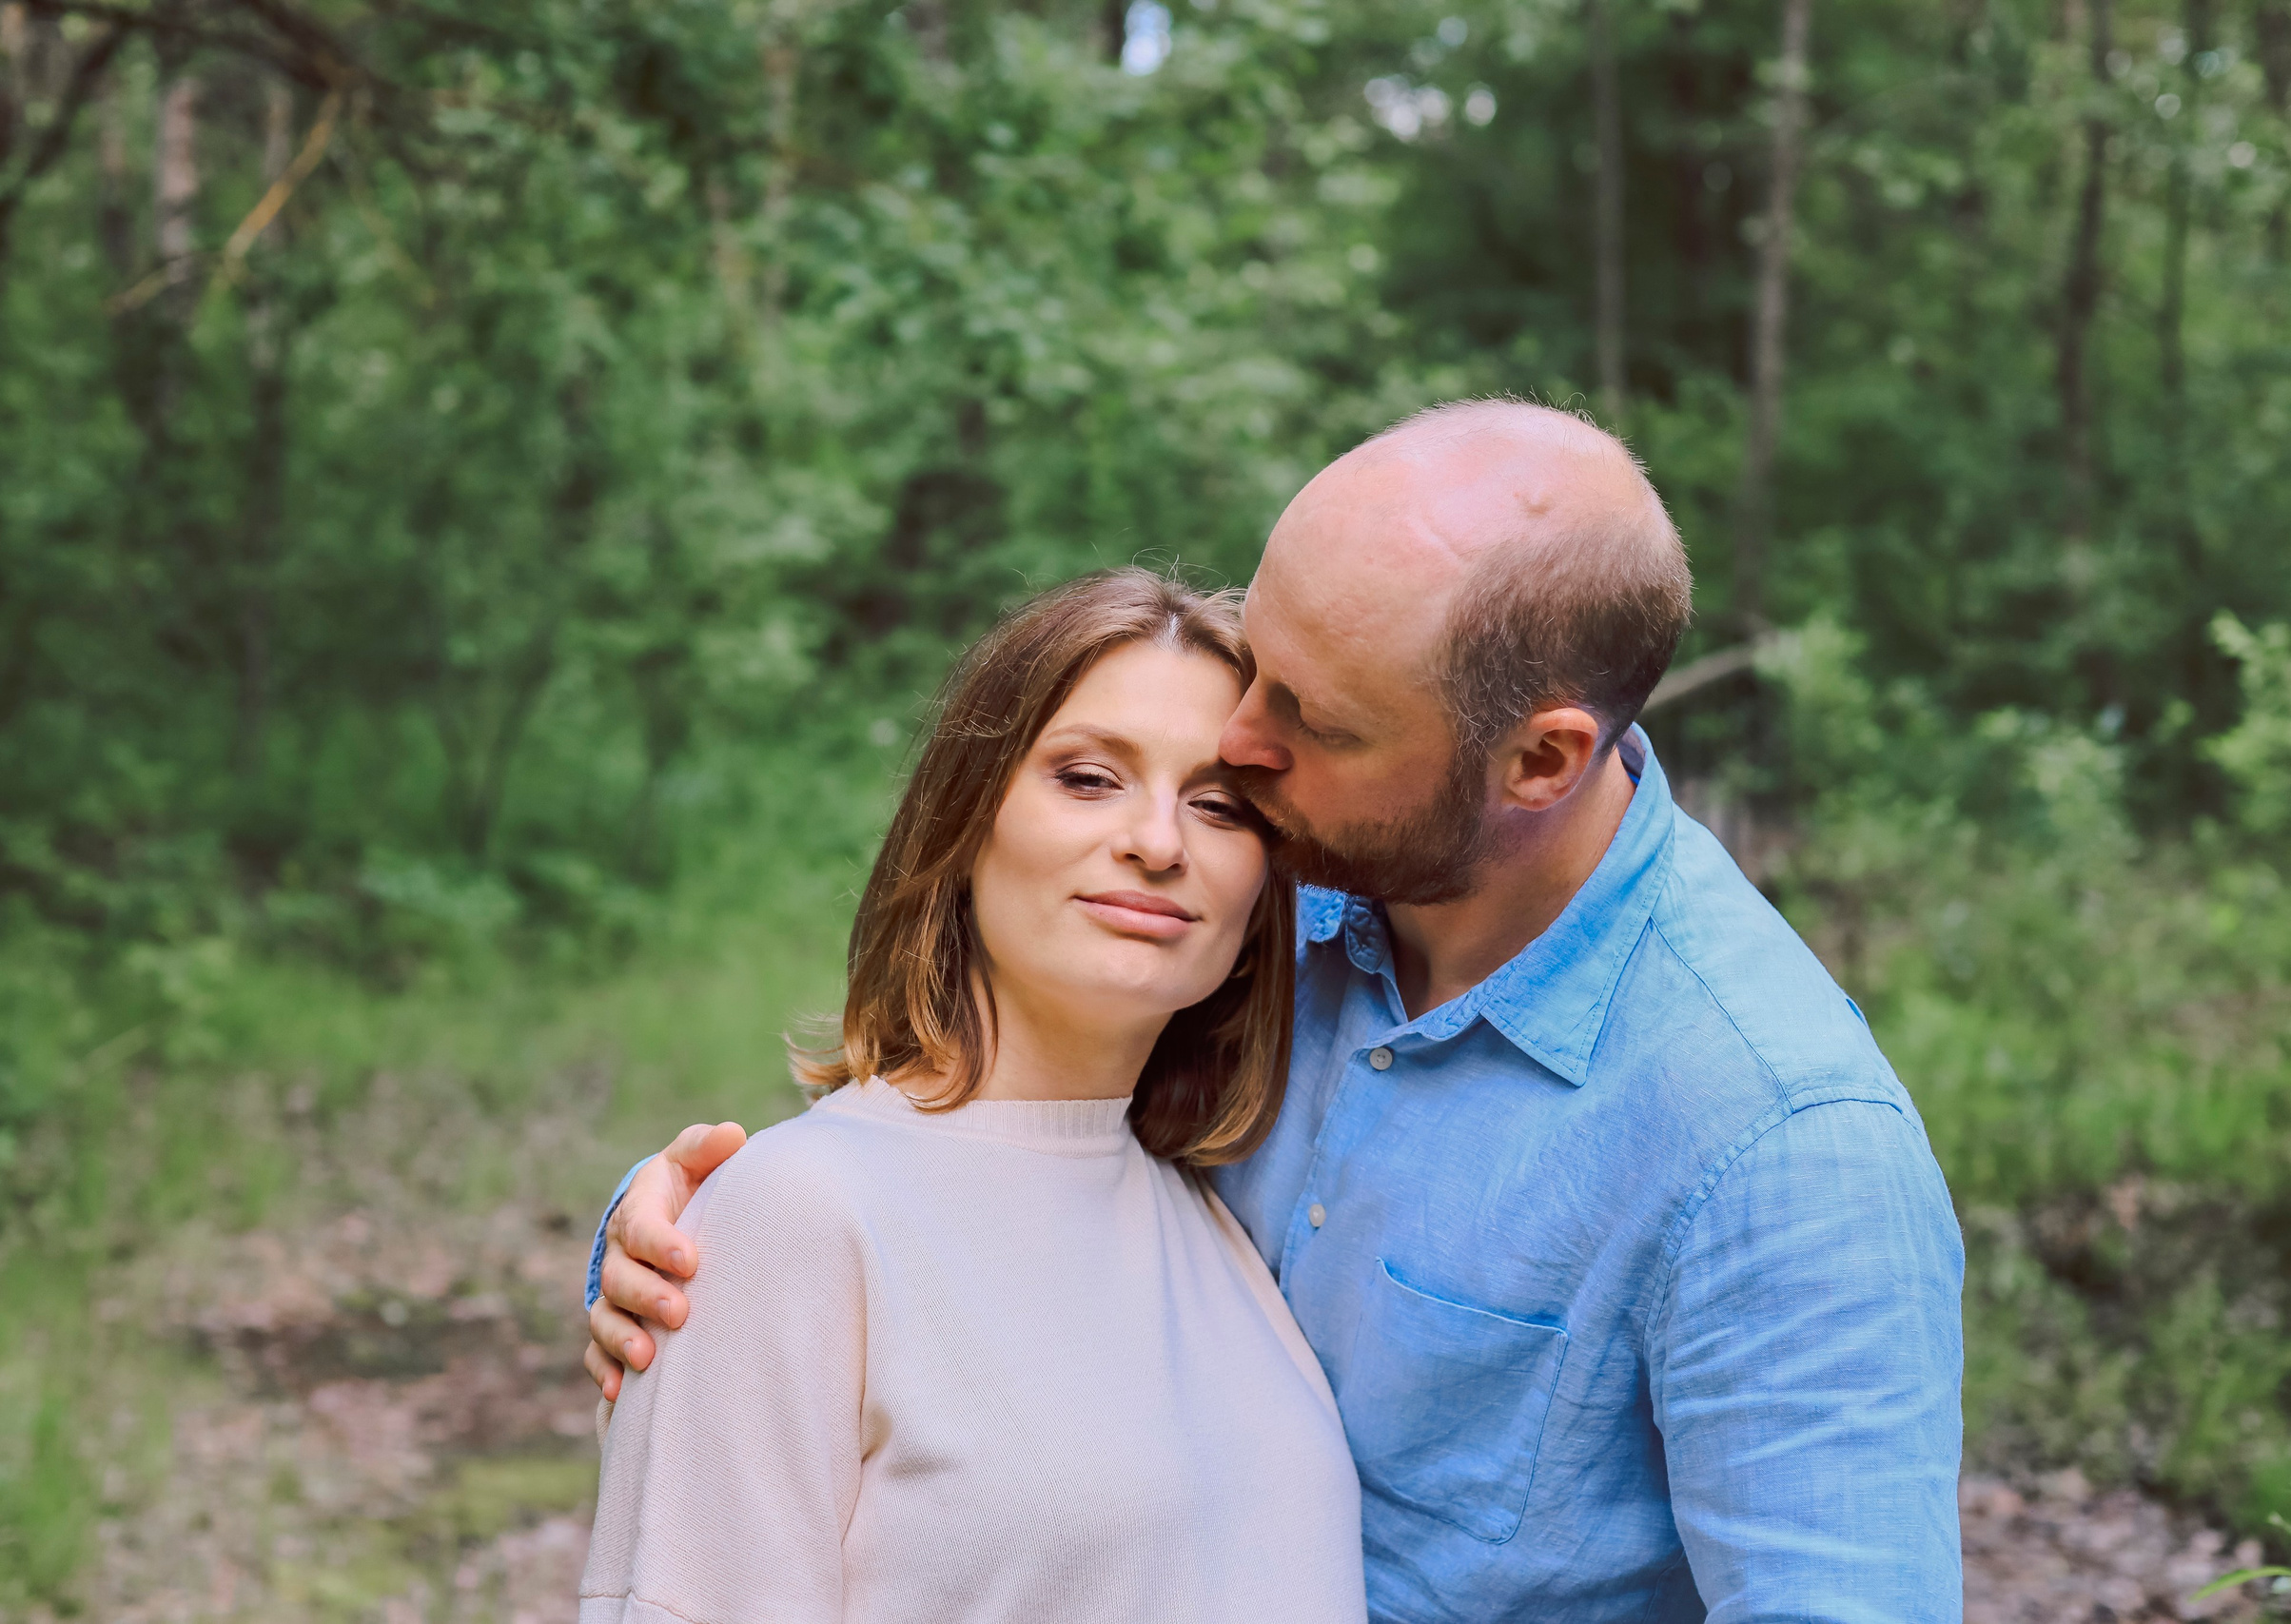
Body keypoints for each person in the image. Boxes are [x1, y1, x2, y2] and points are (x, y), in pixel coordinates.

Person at [584, 400, 1968, 1622]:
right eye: (1257, 662)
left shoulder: (1775, 1145)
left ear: (1538, 760)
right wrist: (701, 1257)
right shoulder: (1276, 898)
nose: (1242, 749)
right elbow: (953, 1188)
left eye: (1311, 718)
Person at [578, 570, 1368, 1624]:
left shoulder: (1223, 1213)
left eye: (1218, 804)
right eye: (1088, 778)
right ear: (964, 822)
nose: (1158, 841)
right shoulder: (794, 1215)